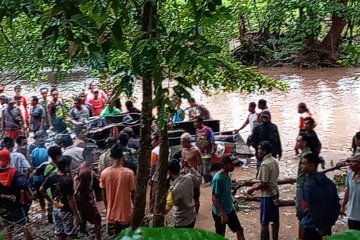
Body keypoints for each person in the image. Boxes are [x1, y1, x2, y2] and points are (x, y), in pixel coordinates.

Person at [40, 155, 81, 240]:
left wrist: (51, 201)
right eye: (70, 165)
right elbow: (70, 199)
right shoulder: (67, 180)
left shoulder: (52, 176)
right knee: (71, 234)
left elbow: (41, 190)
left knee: (59, 233)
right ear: (66, 167)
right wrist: (76, 214)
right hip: (66, 210)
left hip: (56, 207)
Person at [301, 153, 340, 240]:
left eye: (304, 163)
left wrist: (319, 228)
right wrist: (328, 225)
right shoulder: (329, 183)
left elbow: (313, 209)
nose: (301, 166)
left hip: (311, 227)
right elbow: (336, 206)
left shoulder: (308, 185)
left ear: (312, 166)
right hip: (326, 227)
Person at [100, 143, 135, 236]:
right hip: (126, 213)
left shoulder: (104, 173)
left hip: (111, 215)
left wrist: (108, 208)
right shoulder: (129, 173)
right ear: (122, 156)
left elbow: (104, 195)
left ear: (111, 156)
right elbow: (133, 194)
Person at [247, 141, 280, 240]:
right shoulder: (274, 160)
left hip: (267, 196)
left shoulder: (265, 164)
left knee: (264, 222)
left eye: (259, 149)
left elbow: (264, 184)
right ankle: (275, 238)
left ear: (264, 151)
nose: (258, 151)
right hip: (275, 193)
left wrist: (252, 188)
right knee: (275, 220)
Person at [0, 148, 34, 240]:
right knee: (24, 225)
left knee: (7, 226)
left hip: (2, 206)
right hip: (16, 205)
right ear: (9, 159)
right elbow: (24, 184)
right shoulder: (13, 172)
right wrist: (30, 196)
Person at [212, 154, 245, 240]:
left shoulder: (229, 175)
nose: (234, 166)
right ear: (224, 165)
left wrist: (236, 189)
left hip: (230, 209)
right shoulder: (217, 179)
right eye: (231, 164)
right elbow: (214, 198)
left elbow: (227, 192)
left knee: (239, 230)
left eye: (234, 164)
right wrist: (222, 213)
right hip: (220, 212)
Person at [73, 147, 102, 240]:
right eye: (93, 155)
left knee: (83, 220)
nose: (95, 156)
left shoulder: (84, 166)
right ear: (87, 157)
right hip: (85, 200)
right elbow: (78, 188)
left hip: (85, 199)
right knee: (97, 219)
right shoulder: (85, 172)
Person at [166, 160, 201, 228]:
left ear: (169, 172)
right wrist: (190, 167)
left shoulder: (174, 189)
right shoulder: (189, 177)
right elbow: (199, 179)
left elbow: (167, 207)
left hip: (181, 220)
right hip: (192, 216)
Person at [294, 134, 312, 239]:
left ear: (304, 143)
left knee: (302, 216)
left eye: (298, 141)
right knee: (303, 216)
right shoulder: (305, 154)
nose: (296, 143)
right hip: (303, 187)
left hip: (303, 188)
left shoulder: (306, 156)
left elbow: (308, 175)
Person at [180, 132, 202, 213]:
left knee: (196, 196)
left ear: (188, 141)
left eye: (182, 141)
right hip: (186, 176)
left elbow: (200, 164)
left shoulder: (195, 150)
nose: (181, 143)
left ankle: (196, 214)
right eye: (181, 141)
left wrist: (199, 177)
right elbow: (183, 162)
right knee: (187, 196)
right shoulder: (183, 150)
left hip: (194, 175)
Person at [340, 153, 360, 230]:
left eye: (353, 162)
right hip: (352, 214)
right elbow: (348, 191)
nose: (350, 164)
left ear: (359, 164)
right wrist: (343, 206)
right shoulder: (349, 175)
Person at [194, 116, 214, 185]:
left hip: (207, 152)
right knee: (201, 170)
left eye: (196, 122)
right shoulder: (197, 131)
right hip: (200, 153)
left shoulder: (208, 130)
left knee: (205, 171)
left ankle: (211, 182)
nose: (194, 124)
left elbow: (213, 140)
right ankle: (208, 182)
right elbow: (196, 141)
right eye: (194, 122)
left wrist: (212, 151)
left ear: (201, 122)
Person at [149, 132, 160, 212]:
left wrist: (150, 177)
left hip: (156, 175)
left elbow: (153, 166)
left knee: (153, 193)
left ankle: (151, 209)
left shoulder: (155, 151)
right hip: (164, 175)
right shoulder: (167, 149)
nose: (151, 142)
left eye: (152, 140)